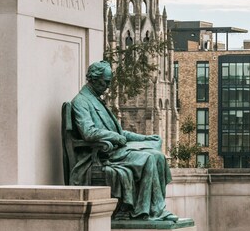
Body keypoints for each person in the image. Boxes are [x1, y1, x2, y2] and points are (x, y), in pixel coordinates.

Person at [68, 61, 177, 221]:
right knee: (148, 158)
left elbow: (119, 132)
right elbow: (88, 132)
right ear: (94, 79)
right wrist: (115, 138)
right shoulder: (81, 101)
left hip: (115, 150)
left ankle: (157, 208)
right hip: (100, 155)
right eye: (105, 82)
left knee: (158, 156)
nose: (108, 86)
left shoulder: (97, 100)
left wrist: (145, 138)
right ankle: (144, 211)